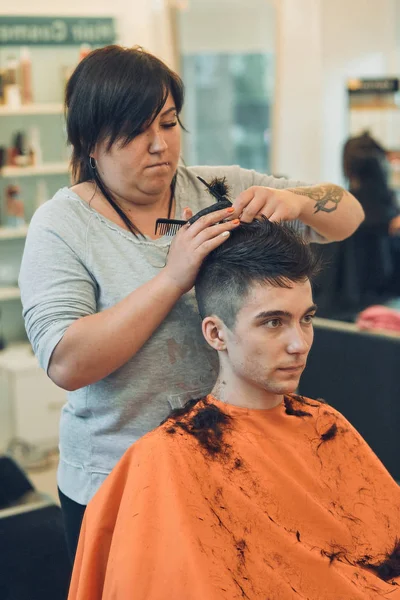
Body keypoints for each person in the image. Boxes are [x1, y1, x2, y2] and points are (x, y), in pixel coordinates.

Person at [18, 44, 364, 561]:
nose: (159, 145)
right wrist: (173, 277)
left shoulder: (217, 189)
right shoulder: (61, 226)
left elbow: (350, 215)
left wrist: (299, 203)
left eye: (169, 122)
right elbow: (66, 362)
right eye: (135, 131)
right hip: (118, 479)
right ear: (90, 141)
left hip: (231, 465)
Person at [68, 218, 400, 600]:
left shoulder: (327, 426)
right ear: (215, 333)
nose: (299, 344)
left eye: (305, 319)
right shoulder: (168, 458)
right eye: (273, 322)